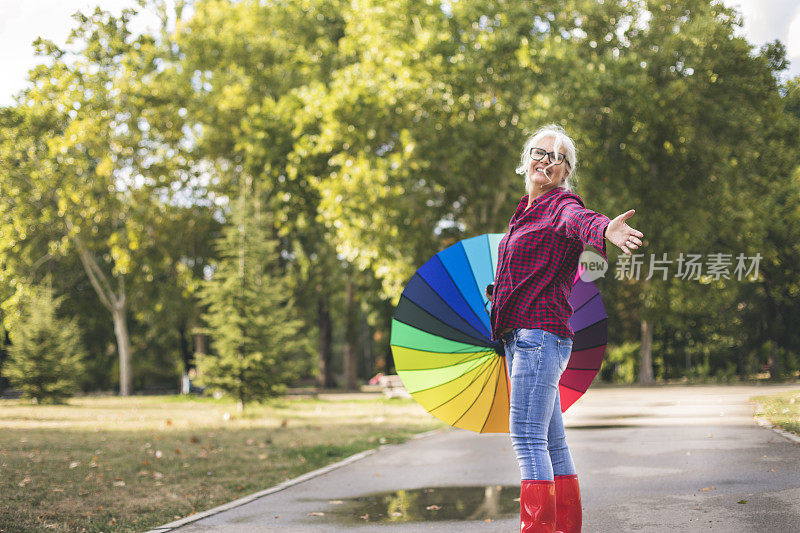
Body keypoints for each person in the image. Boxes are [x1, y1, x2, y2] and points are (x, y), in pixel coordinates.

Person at [489, 124, 643, 532]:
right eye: (540, 152)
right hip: (524, 338)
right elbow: (526, 272)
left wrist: (608, 229)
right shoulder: (523, 212)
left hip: (538, 338)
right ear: (526, 159)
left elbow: (584, 220)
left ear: (565, 172)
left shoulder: (562, 206)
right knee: (551, 442)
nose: (546, 161)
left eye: (557, 158)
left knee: (526, 438)